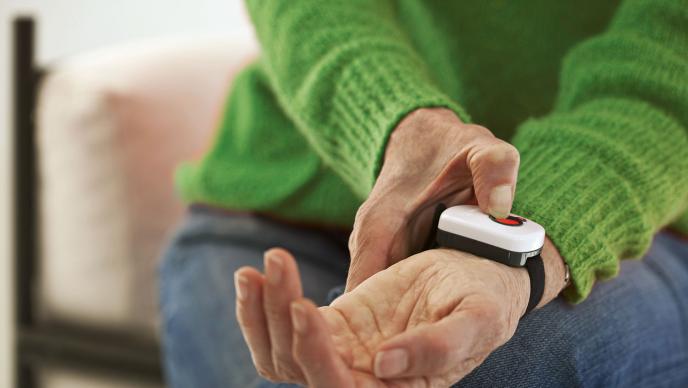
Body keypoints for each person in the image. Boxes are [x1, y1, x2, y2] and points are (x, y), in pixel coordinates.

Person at [158, 0, 688, 387]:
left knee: (476, 369)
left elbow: (669, 71)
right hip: (284, 212)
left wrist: (513, 251)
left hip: (618, 222)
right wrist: (397, 127)